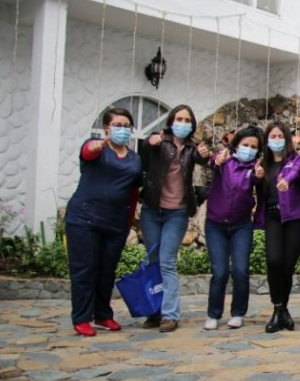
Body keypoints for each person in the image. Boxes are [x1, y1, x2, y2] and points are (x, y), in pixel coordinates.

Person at [65, 107, 143, 336]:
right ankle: (81, 317)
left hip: (115, 223)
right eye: (117, 125)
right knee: (84, 270)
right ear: (107, 128)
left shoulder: (134, 158)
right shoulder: (95, 147)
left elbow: (133, 192)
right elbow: (88, 152)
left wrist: (127, 224)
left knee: (106, 271)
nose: (122, 129)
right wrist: (98, 145)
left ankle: (103, 314)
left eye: (126, 126)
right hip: (84, 219)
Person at [140, 105, 211, 332]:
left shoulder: (192, 148)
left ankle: (170, 315)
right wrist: (150, 142)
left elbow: (202, 160)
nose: (182, 123)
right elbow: (144, 153)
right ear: (171, 121)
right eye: (178, 118)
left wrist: (205, 155)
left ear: (192, 124)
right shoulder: (159, 142)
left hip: (177, 212)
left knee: (167, 261)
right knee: (153, 262)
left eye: (187, 120)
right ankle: (154, 311)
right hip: (152, 209)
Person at [253, 121, 300, 333]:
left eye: (280, 136)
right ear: (266, 140)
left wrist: (286, 180)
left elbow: (296, 171)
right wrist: (256, 177)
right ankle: (280, 308)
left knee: (287, 267)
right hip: (272, 216)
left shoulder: (297, 159)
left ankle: (280, 311)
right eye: (272, 136)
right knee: (274, 261)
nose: (276, 140)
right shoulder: (262, 164)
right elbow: (252, 182)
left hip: (296, 218)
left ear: (287, 139)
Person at [203, 126, 264, 331]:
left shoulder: (255, 167)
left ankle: (238, 313)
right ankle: (213, 314)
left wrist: (260, 176)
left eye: (253, 147)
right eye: (245, 145)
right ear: (237, 144)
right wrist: (216, 161)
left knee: (240, 270)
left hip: (241, 225)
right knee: (219, 271)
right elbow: (213, 162)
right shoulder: (225, 159)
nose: (249, 149)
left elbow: (258, 180)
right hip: (215, 224)